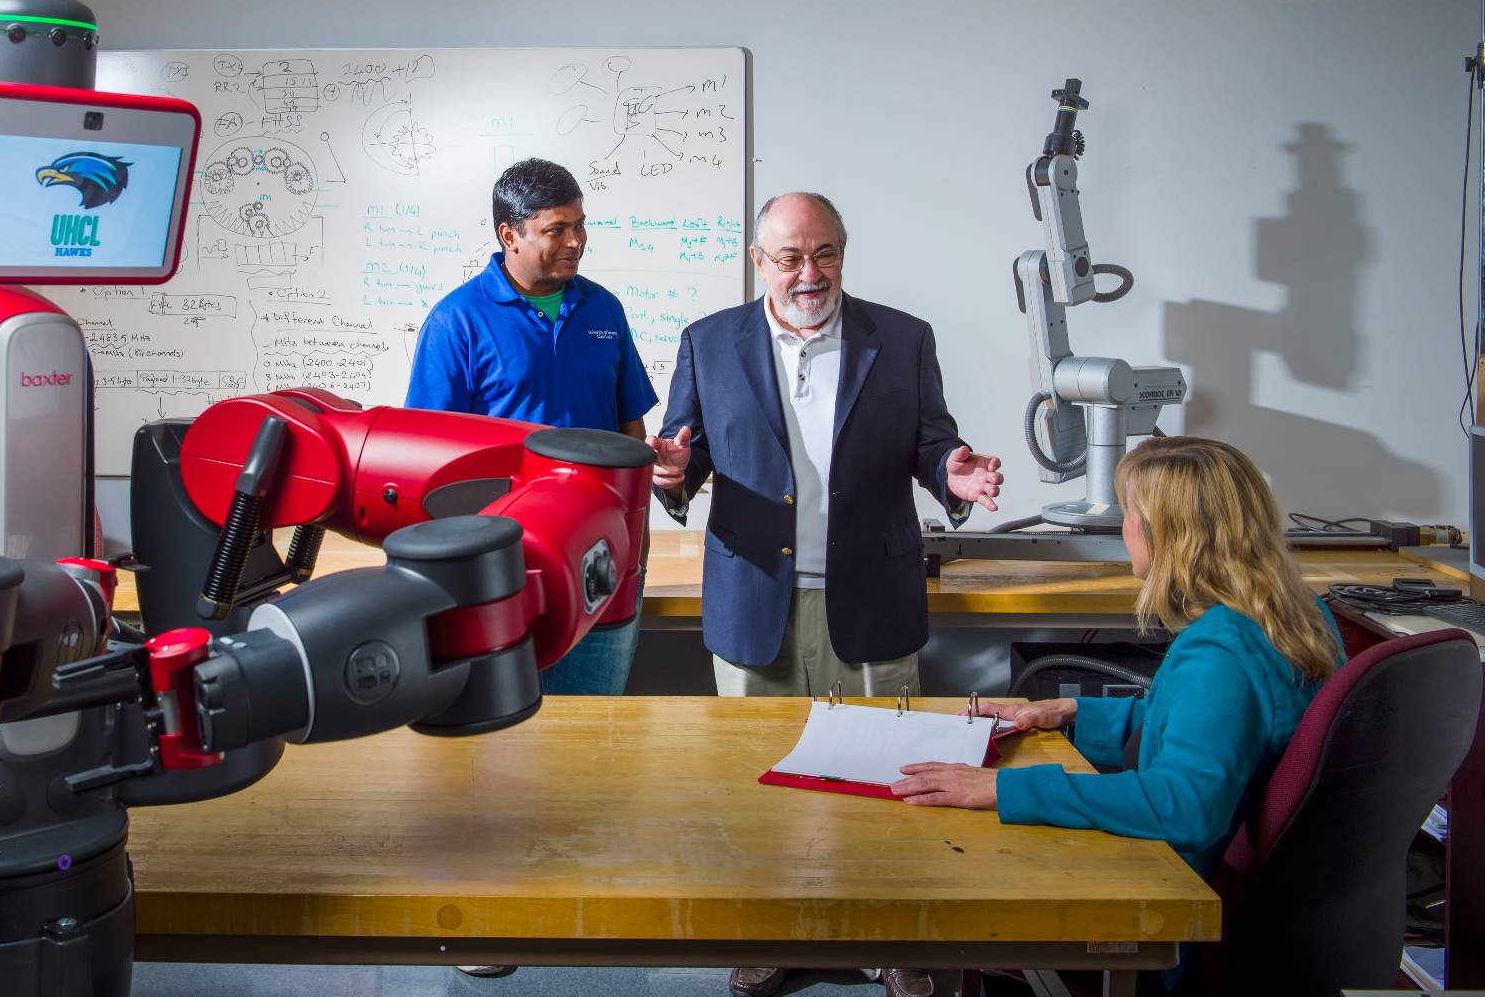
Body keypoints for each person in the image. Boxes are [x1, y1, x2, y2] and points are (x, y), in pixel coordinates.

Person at [649, 190, 1001, 997]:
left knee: (889, 779)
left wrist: (952, 470)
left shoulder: (902, 338)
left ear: (843, 249)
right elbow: (685, 454)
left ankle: (892, 937)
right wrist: (672, 473)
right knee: (760, 778)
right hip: (753, 593)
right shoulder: (710, 341)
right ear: (757, 260)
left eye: (826, 254)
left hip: (869, 592)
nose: (811, 274)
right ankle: (774, 931)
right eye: (790, 258)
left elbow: (933, 442)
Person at [894, 436, 1344, 991]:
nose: (1125, 529)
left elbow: (1184, 807)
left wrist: (1001, 789)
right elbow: (1216, 732)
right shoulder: (1295, 613)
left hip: (1175, 909)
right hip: (1272, 907)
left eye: (1130, 515)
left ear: (1167, 534)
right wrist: (1069, 712)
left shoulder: (1219, 653)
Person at [406, 157, 658, 979]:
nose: (575, 242)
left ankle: (575, 899)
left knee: (588, 741)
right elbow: (430, 468)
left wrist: (664, 466)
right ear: (507, 234)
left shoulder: (602, 310)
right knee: (493, 745)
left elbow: (629, 437)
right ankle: (490, 912)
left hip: (606, 569)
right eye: (556, 230)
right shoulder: (457, 321)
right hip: (502, 581)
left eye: (580, 225)